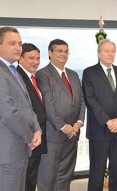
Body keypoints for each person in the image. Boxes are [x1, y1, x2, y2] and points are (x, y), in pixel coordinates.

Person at [82, 39, 117, 191]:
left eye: (112, 51)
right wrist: (108, 121)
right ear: (99, 54)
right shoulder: (89, 73)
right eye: (106, 51)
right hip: (99, 129)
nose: (110, 54)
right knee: (97, 171)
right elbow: (90, 100)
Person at [36, 39, 85, 191]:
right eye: (59, 51)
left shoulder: (73, 75)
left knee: (65, 176)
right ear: (50, 53)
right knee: (48, 177)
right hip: (53, 135)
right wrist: (64, 127)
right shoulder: (43, 74)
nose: (63, 54)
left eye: (66, 51)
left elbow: (81, 101)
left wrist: (78, 122)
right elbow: (48, 106)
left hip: (72, 134)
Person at [0, 27, 41, 191]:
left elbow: (27, 105)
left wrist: (37, 130)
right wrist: (30, 136)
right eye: (12, 43)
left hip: (20, 149)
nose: (18, 47)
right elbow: (8, 112)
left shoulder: (13, 71)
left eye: (19, 43)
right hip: (8, 151)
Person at [17, 43, 47, 191]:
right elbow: (20, 111)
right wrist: (30, 136)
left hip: (37, 138)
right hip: (27, 140)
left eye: (38, 58)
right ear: (20, 58)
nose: (35, 62)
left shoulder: (34, 78)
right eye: (31, 58)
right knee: (24, 182)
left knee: (31, 180)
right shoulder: (17, 77)